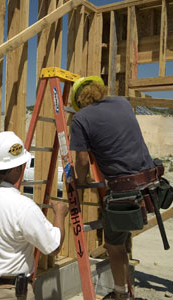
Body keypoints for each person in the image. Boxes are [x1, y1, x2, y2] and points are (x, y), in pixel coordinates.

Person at [70, 76, 157, 300]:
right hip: (149, 183)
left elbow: (81, 161)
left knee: (113, 244)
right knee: (121, 239)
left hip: (124, 190)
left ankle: (120, 295)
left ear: (80, 100)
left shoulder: (80, 118)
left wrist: (81, 181)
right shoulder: (122, 103)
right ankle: (124, 289)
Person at [0, 131, 68, 300]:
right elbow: (53, 247)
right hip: (7, 293)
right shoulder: (22, 206)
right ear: (16, 168)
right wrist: (60, 215)